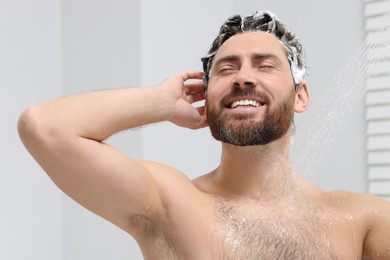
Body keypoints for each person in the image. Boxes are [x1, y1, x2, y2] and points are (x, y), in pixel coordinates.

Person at [18, 10, 390, 259]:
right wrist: (159, 101)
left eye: (264, 65)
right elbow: (45, 127)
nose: (244, 77)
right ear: (205, 93)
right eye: (227, 69)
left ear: (301, 97)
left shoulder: (360, 220)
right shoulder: (171, 204)